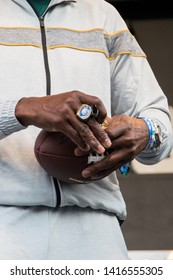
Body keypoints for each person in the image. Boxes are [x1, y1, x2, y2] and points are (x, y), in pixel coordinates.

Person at [0, 0, 172, 260]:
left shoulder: (102, 14)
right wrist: (21, 109)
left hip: (95, 225)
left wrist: (146, 132)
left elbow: (158, 120)